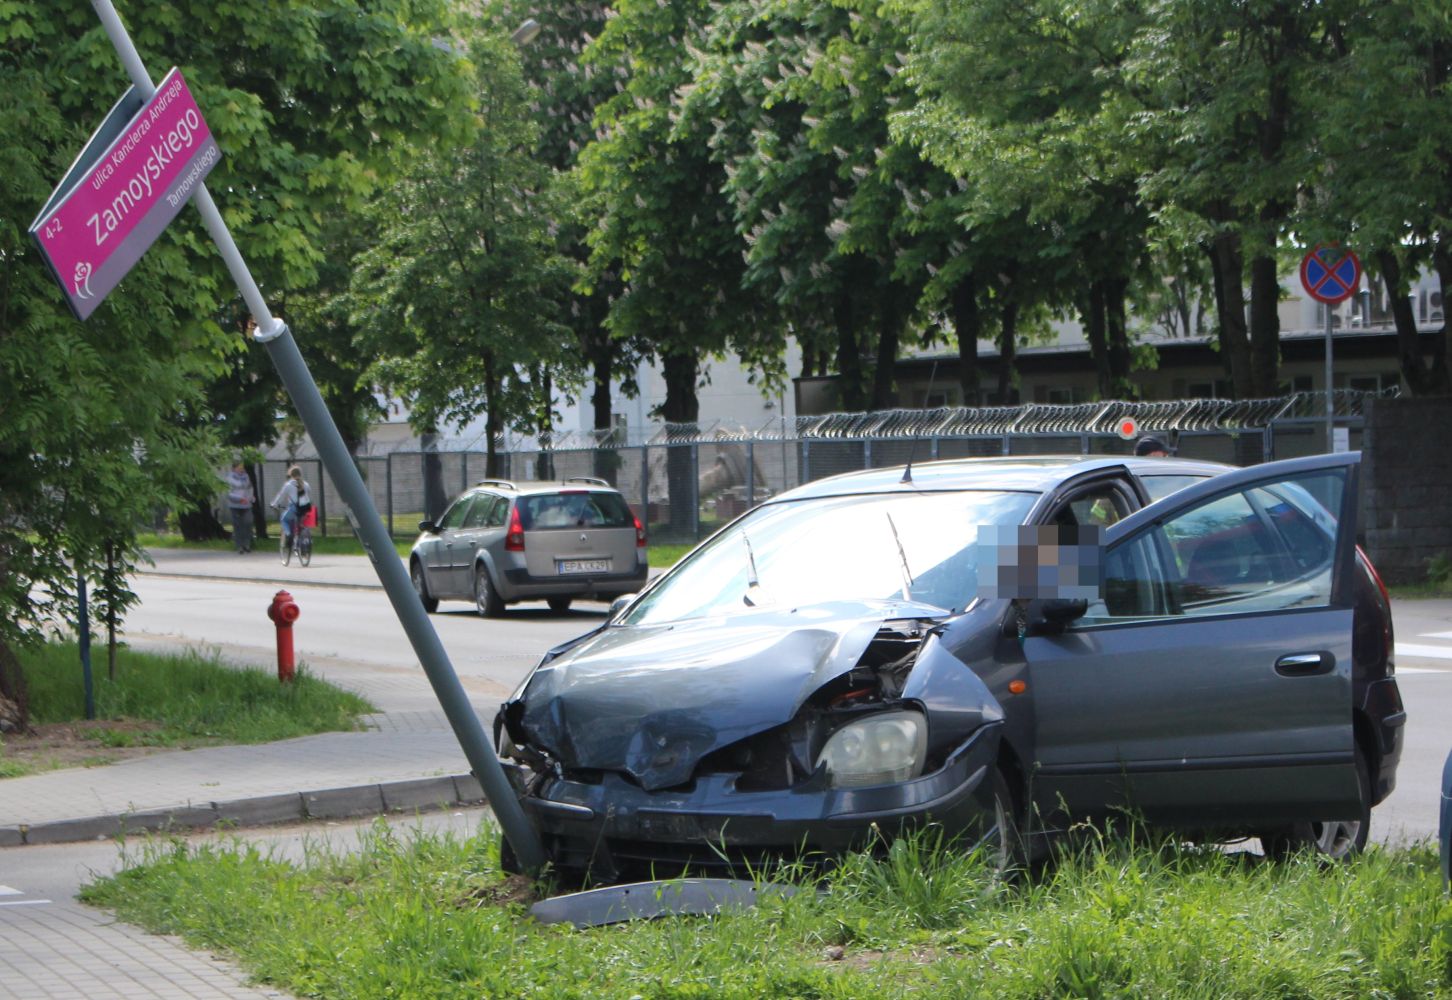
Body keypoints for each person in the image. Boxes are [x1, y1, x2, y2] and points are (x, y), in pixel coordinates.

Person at [270, 465, 312, 550]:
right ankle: (303, 542)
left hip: (294, 508)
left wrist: (274, 504)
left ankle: (289, 535)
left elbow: (281, 496)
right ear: (300, 474)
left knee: (284, 519)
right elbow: (309, 493)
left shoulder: (288, 485)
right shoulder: (306, 484)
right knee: (301, 525)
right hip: (306, 508)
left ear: (291, 475)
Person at [225, 461, 256, 553]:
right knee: (238, 525)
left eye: (242, 467)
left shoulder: (246, 477)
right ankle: (239, 546)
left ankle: (247, 544)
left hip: (246, 505)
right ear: (234, 468)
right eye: (239, 467)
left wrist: (251, 497)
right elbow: (228, 493)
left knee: (248, 523)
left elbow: (250, 488)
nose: (242, 469)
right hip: (235, 505)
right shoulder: (229, 478)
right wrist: (240, 499)